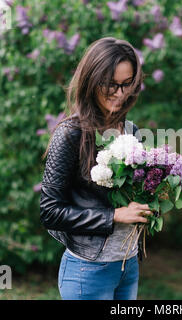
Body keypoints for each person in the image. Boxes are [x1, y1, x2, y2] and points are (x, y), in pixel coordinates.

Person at [39, 37, 153, 300]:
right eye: (111, 84)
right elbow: (50, 212)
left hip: (128, 264)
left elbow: (127, 195)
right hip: (87, 269)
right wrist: (113, 216)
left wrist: (153, 194)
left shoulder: (132, 130)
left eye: (127, 84)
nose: (120, 93)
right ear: (92, 81)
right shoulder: (70, 134)